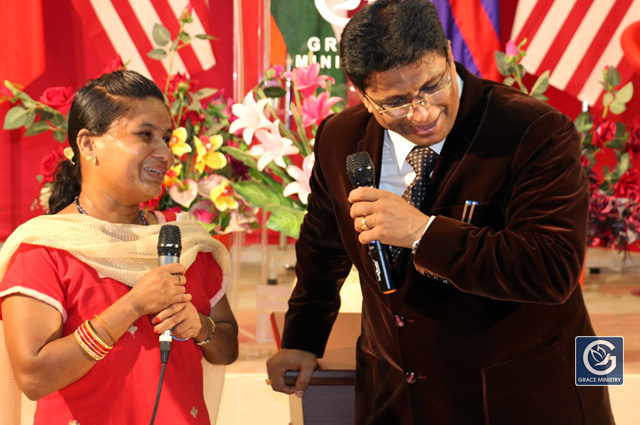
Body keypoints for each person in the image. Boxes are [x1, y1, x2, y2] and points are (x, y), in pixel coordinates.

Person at [266, 1, 615, 424]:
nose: (423, 112)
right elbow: (322, 248)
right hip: (393, 399)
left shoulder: (533, 129)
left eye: (433, 85)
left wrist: (422, 233)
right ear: (361, 93)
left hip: (515, 398)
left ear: (449, 54)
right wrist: (303, 338)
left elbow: (552, 269)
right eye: (395, 101)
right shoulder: (340, 137)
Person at [0, 70, 238, 424]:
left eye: (167, 139)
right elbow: (34, 378)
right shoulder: (44, 248)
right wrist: (132, 306)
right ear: (88, 144)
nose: (164, 153)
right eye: (145, 135)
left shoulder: (183, 240)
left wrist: (200, 326)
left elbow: (227, 348)